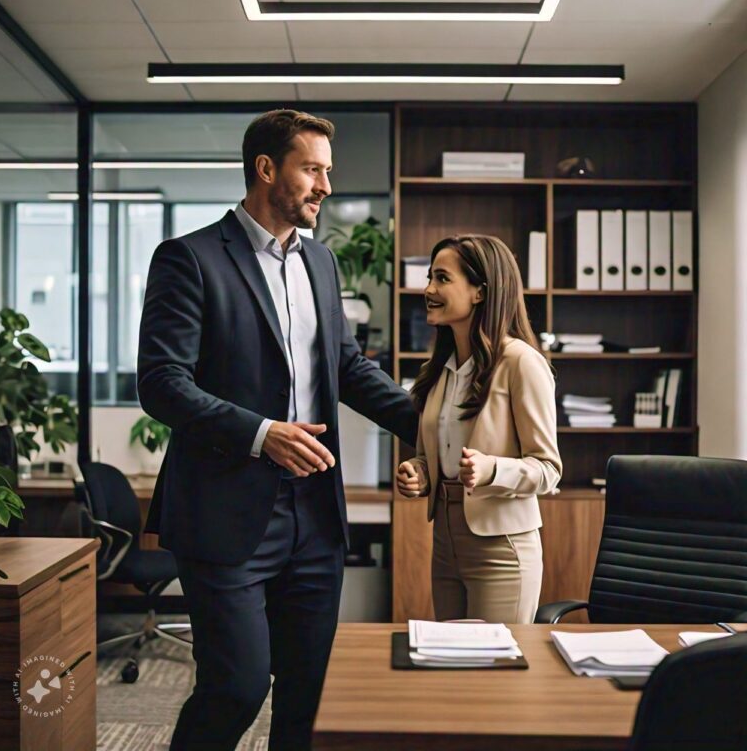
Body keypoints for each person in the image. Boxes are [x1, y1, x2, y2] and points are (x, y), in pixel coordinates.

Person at [138, 109, 418, 751]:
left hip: (314, 514)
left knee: (309, 694)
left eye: (328, 172)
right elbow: (161, 381)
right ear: (267, 169)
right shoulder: (191, 258)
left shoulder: (319, 262)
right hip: (227, 511)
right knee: (236, 687)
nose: (325, 186)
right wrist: (262, 433)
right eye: (312, 169)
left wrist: (432, 424)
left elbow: (345, 366)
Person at [396, 234, 561, 623]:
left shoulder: (521, 363)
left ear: (479, 292)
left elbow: (549, 469)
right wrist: (419, 472)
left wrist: (491, 470)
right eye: (429, 278)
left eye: (442, 278)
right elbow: (431, 453)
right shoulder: (435, 371)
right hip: (445, 541)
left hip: (501, 548)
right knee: (451, 669)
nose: (429, 289)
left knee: (497, 676)